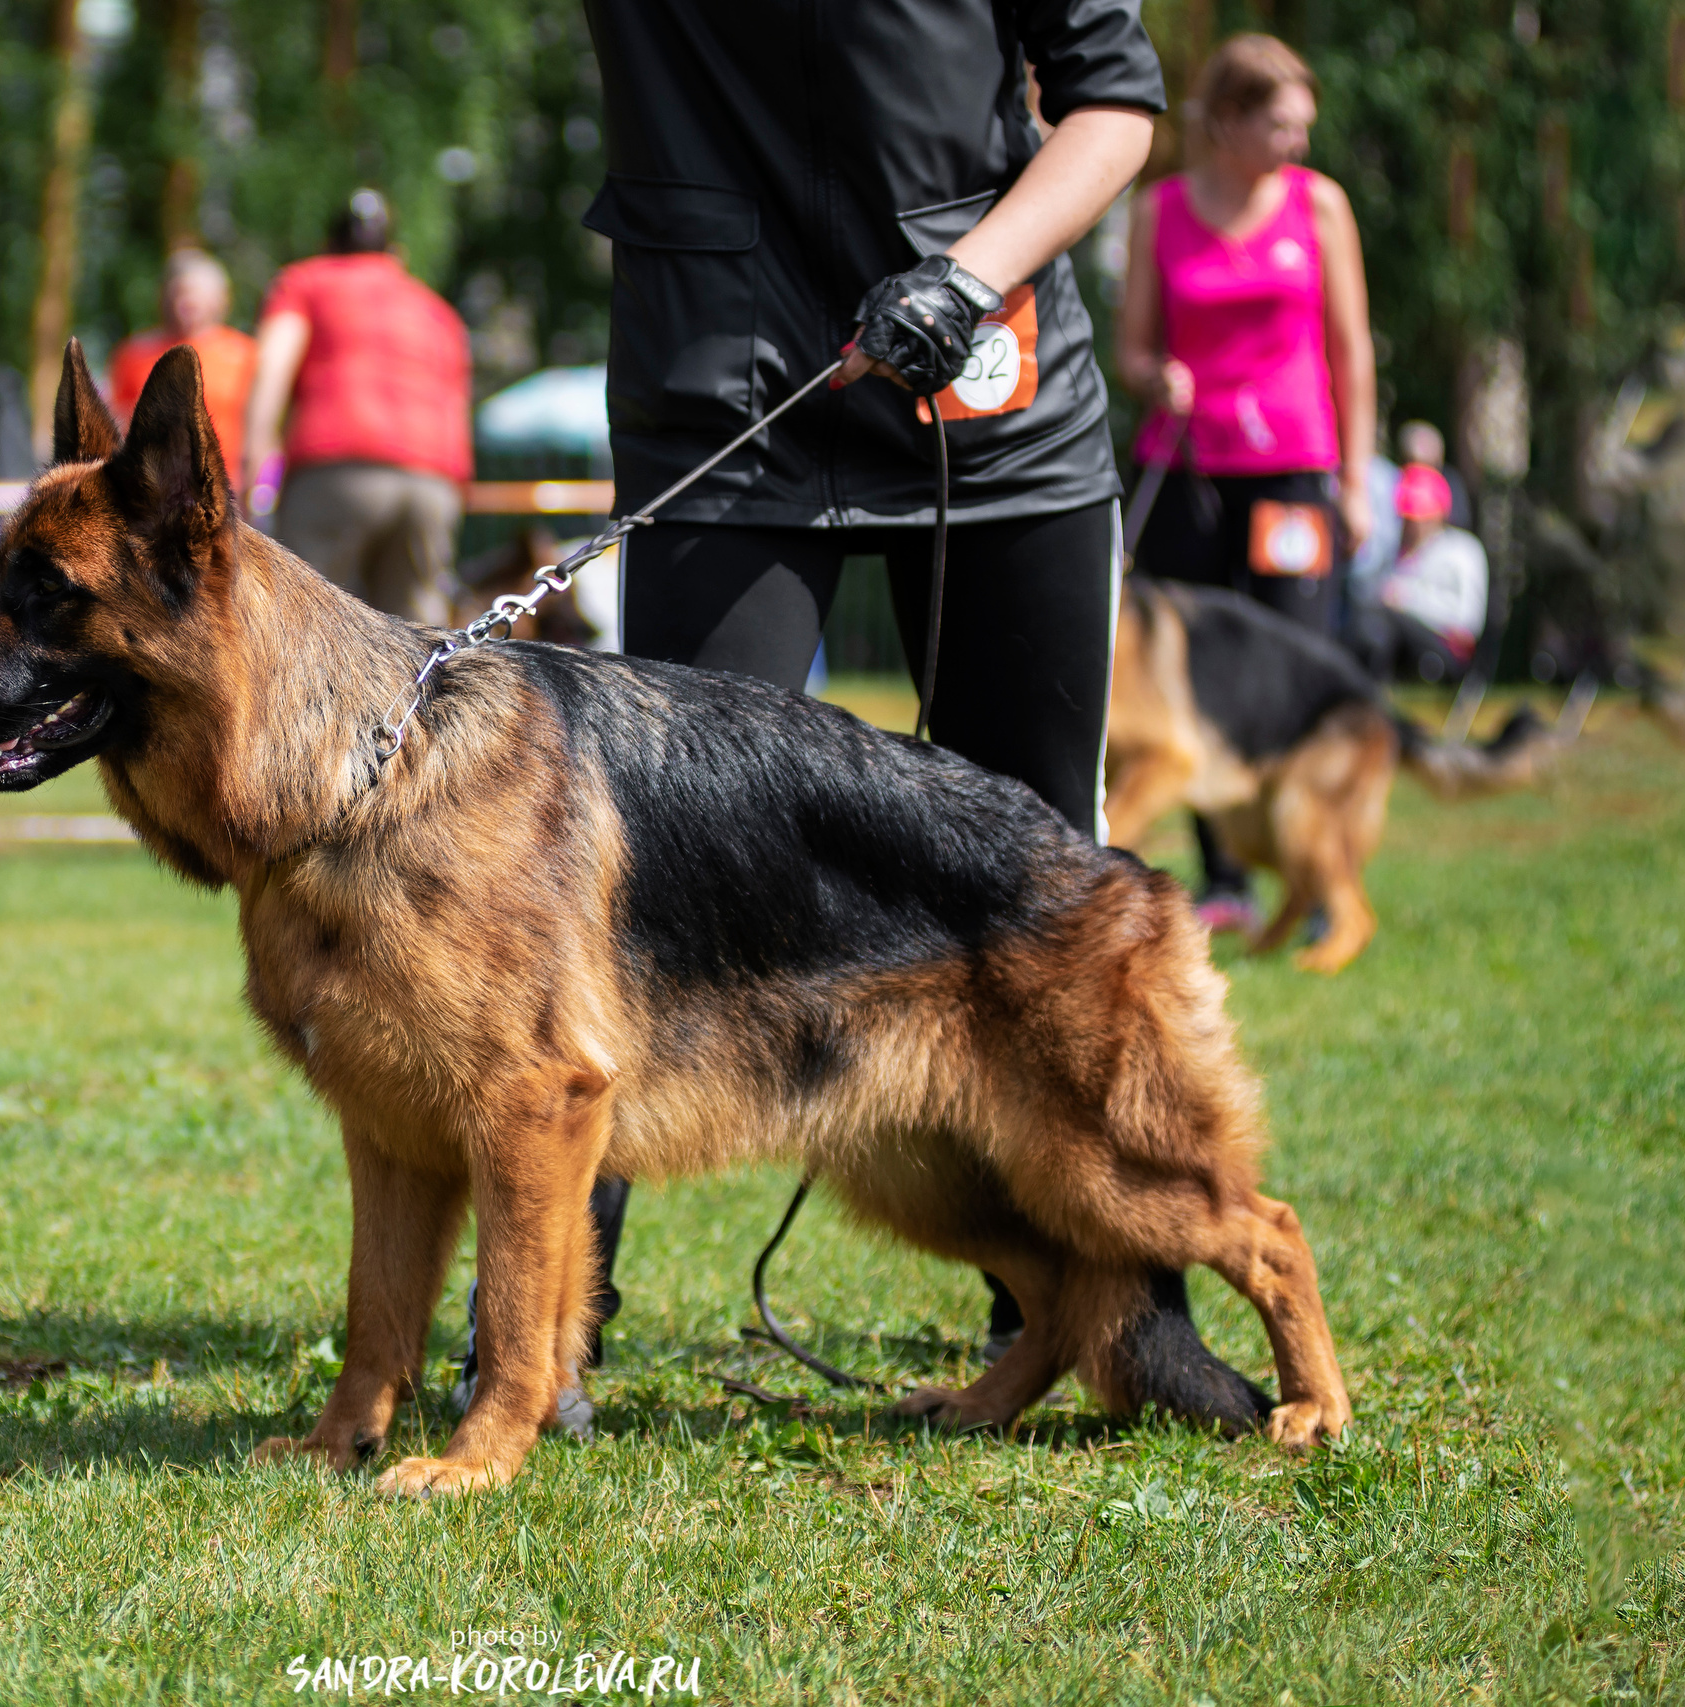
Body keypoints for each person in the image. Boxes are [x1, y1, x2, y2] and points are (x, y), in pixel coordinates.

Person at [447, 0, 1175, 1416]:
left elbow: (1114, 104)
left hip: (989, 385)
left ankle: (1112, 1302)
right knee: (630, 874)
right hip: (724, 389)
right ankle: (536, 1336)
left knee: (1038, 867)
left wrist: (969, 274)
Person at [1116, 34, 1375, 932]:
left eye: (1305, 126)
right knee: (1194, 686)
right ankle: (1226, 878)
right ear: (1226, 121)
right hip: (1188, 468)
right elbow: (1132, 349)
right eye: (1281, 124)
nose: (1298, 143)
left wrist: (1356, 479)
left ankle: (1316, 865)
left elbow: (1351, 349)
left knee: (1296, 664)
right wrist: (1158, 378)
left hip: (1294, 472)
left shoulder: (1321, 207)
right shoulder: (1163, 210)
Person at [242, 190, 471, 624]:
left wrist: (255, 468)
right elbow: (457, 406)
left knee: (309, 630)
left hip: (337, 474)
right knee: (418, 644)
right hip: (432, 484)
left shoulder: (306, 281)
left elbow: (271, 368)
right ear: (395, 253)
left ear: (329, 244)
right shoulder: (437, 310)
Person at [110, 248, 257, 491]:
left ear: (221, 298)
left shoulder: (246, 355)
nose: (186, 302)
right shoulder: (132, 354)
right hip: (152, 490)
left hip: (227, 489)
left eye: (196, 294)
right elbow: (117, 422)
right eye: (179, 293)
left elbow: (266, 426)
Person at [1351, 462, 1487, 682]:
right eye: (1408, 516)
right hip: (1399, 639)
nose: (1413, 525)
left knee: (1383, 619)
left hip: (1446, 648)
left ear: (1440, 514)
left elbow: (1467, 619)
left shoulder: (1462, 550)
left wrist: (1407, 601)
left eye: (1420, 516)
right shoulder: (1395, 552)